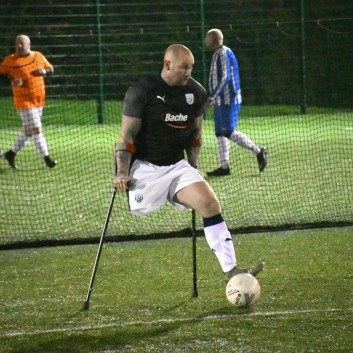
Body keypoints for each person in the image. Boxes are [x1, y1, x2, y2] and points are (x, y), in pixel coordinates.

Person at [114, 44, 264, 283]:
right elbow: (126, 137)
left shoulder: (196, 93)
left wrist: (192, 165)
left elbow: (195, 136)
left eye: (191, 67)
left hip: (176, 166)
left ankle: (231, 271)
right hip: (144, 169)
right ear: (167, 64)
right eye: (184, 67)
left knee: (210, 204)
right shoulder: (142, 90)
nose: (188, 72)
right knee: (143, 209)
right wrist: (122, 172)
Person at [205, 28, 267, 177]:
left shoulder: (224, 53)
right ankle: (224, 166)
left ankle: (259, 151)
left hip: (228, 99)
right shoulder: (217, 54)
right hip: (220, 99)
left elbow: (225, 77)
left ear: (213, 40)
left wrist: (214, 96)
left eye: (206, 38)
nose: (205, 41)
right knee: (220, 132)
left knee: (228, 131)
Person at [0, 34, 57, 169]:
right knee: (37, 129)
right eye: (17, 44)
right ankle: (47, 158)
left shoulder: (38, 56)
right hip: (23, 102)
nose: (19, 46)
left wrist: (44, 71)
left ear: (29, 44)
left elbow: (51, 69)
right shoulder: (10, 61)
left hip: (38, 100)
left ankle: (11, 153)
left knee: (28, 131)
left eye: (22, 43)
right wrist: (11, 81)